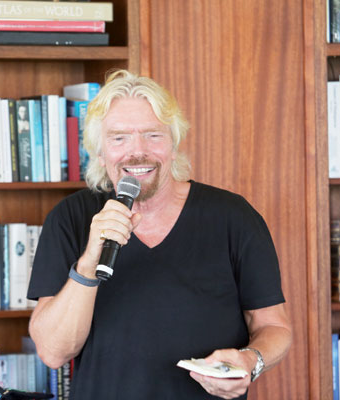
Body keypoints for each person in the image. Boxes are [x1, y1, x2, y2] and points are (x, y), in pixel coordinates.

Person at [27, 70, 292, 399]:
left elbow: (274, 327)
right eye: (119, 138)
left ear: (173, 145)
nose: (137, 151)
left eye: (153, 135)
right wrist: (89, 262)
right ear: (100, 153)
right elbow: (53, 352)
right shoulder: (70, 219)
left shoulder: (233, 217)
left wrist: (251, 361)